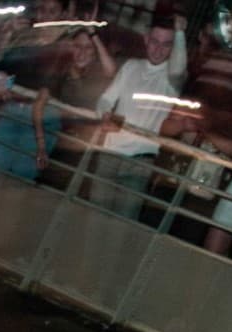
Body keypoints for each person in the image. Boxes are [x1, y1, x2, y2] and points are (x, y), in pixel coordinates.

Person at [86, 16, 189, 219]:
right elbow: (106, 99)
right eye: (155, 42)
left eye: (166, 44)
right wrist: (104, 114)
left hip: (140, 164)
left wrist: (180, 34)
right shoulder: (131, 66)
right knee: (93, 220)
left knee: (121, 229)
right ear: (146, 39)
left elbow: (177, 69)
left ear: (173, 47)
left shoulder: (172, 78)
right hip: (109, 154)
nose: (158, 49)